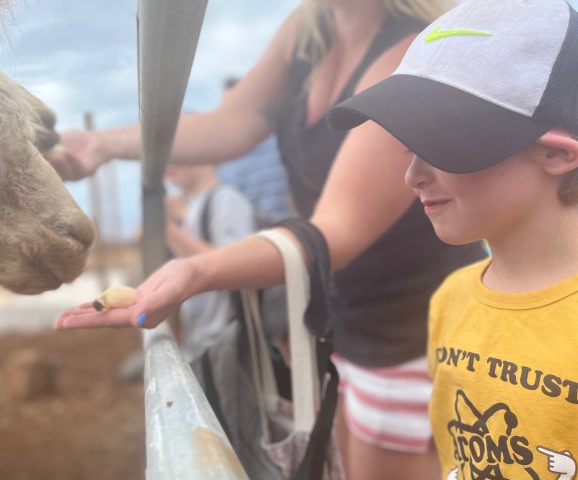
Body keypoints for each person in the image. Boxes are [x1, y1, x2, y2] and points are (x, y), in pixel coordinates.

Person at [50, 1, 487, 478]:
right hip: (339, 320)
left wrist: (197, 270)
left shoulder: (412, 46)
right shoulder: (306, 30)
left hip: (411, 330)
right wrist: (104, 144)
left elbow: (338, 229)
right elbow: (234, 121)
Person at [325, 0, 578, 478]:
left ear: (554, 152)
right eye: (408, 146)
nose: (411, 176)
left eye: (439, 141)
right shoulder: (450, 300)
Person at [164, 163, 256, 361]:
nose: (168, 163)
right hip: (202, 344)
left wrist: (167, 228)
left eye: (177, 151)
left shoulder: (225, 200)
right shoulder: (192, 208)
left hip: (227, 347)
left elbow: (238, 267)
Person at [216, 76, 291, 222]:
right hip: (254, 236)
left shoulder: (281, 140)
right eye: (225, 108)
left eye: (234, 105)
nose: (230, 114)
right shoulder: (223, 161)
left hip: (295, 229)